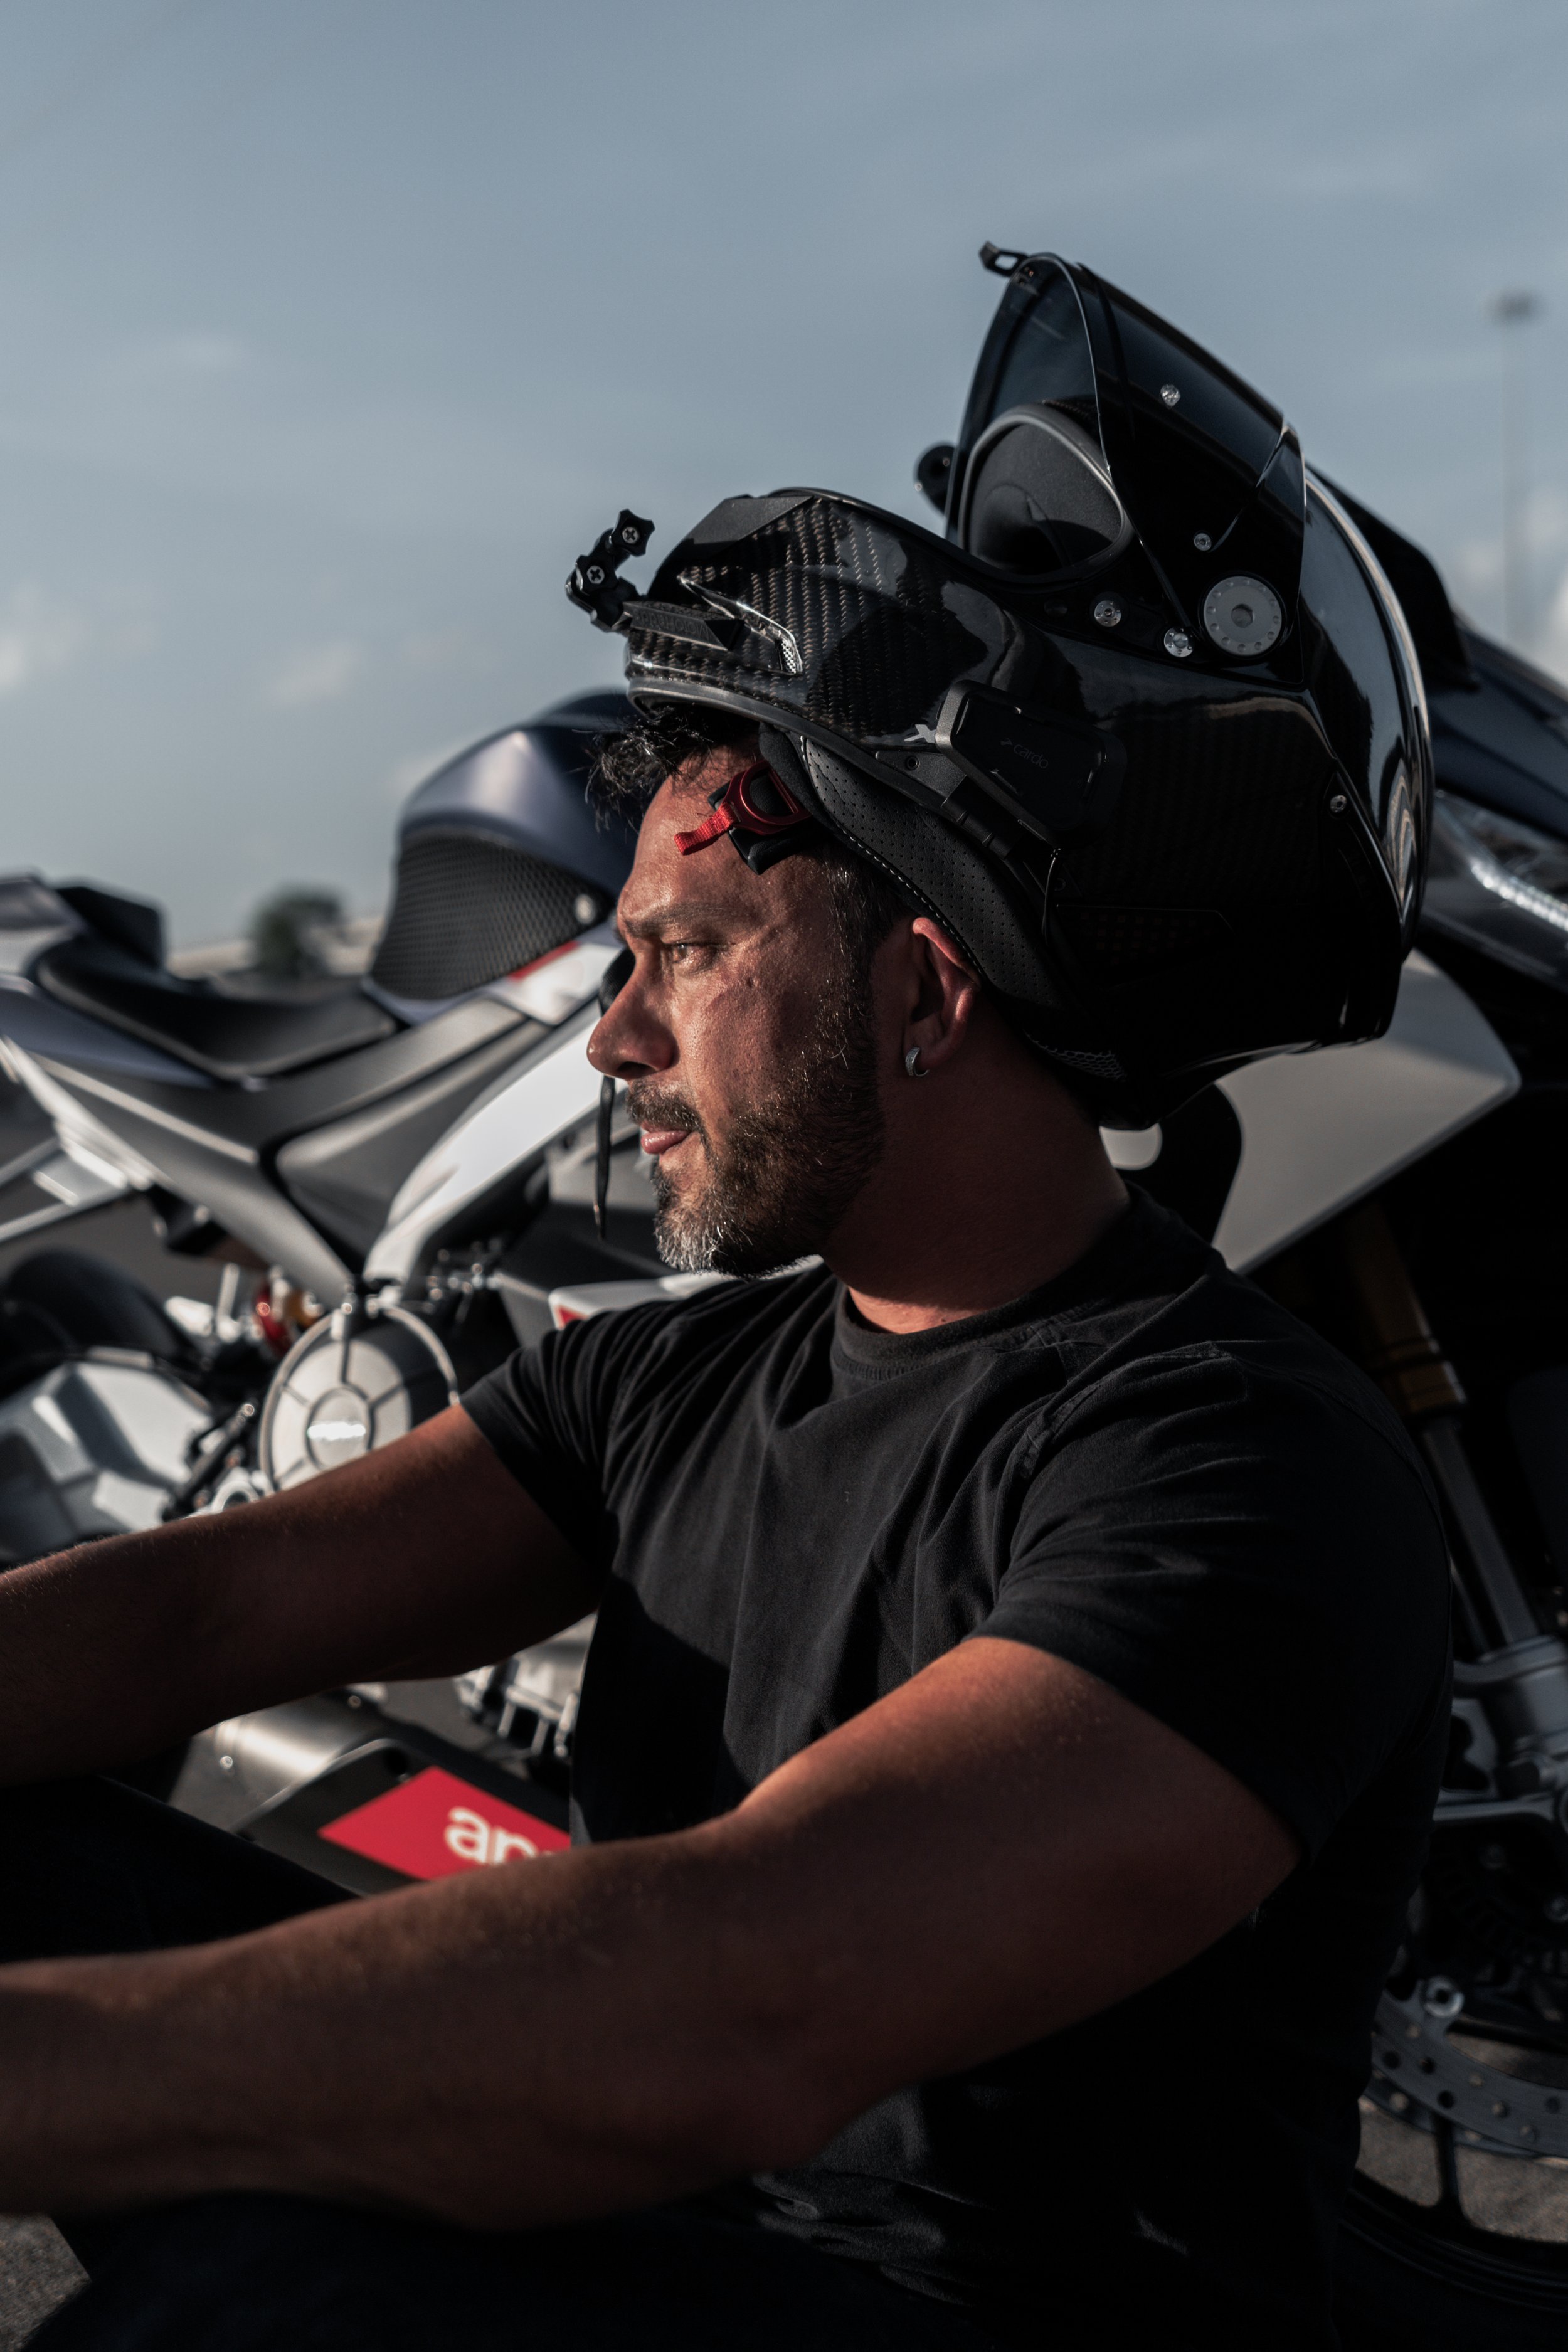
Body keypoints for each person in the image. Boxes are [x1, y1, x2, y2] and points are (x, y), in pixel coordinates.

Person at [0, 266, 1447, 2352]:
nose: (612, 1042)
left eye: (679, 955)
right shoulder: (664, 1382)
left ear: (921, 995)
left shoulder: (1237, 1456)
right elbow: (196, 1615)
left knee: (256, 2312)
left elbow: (746, 1991)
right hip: (672, 2243)